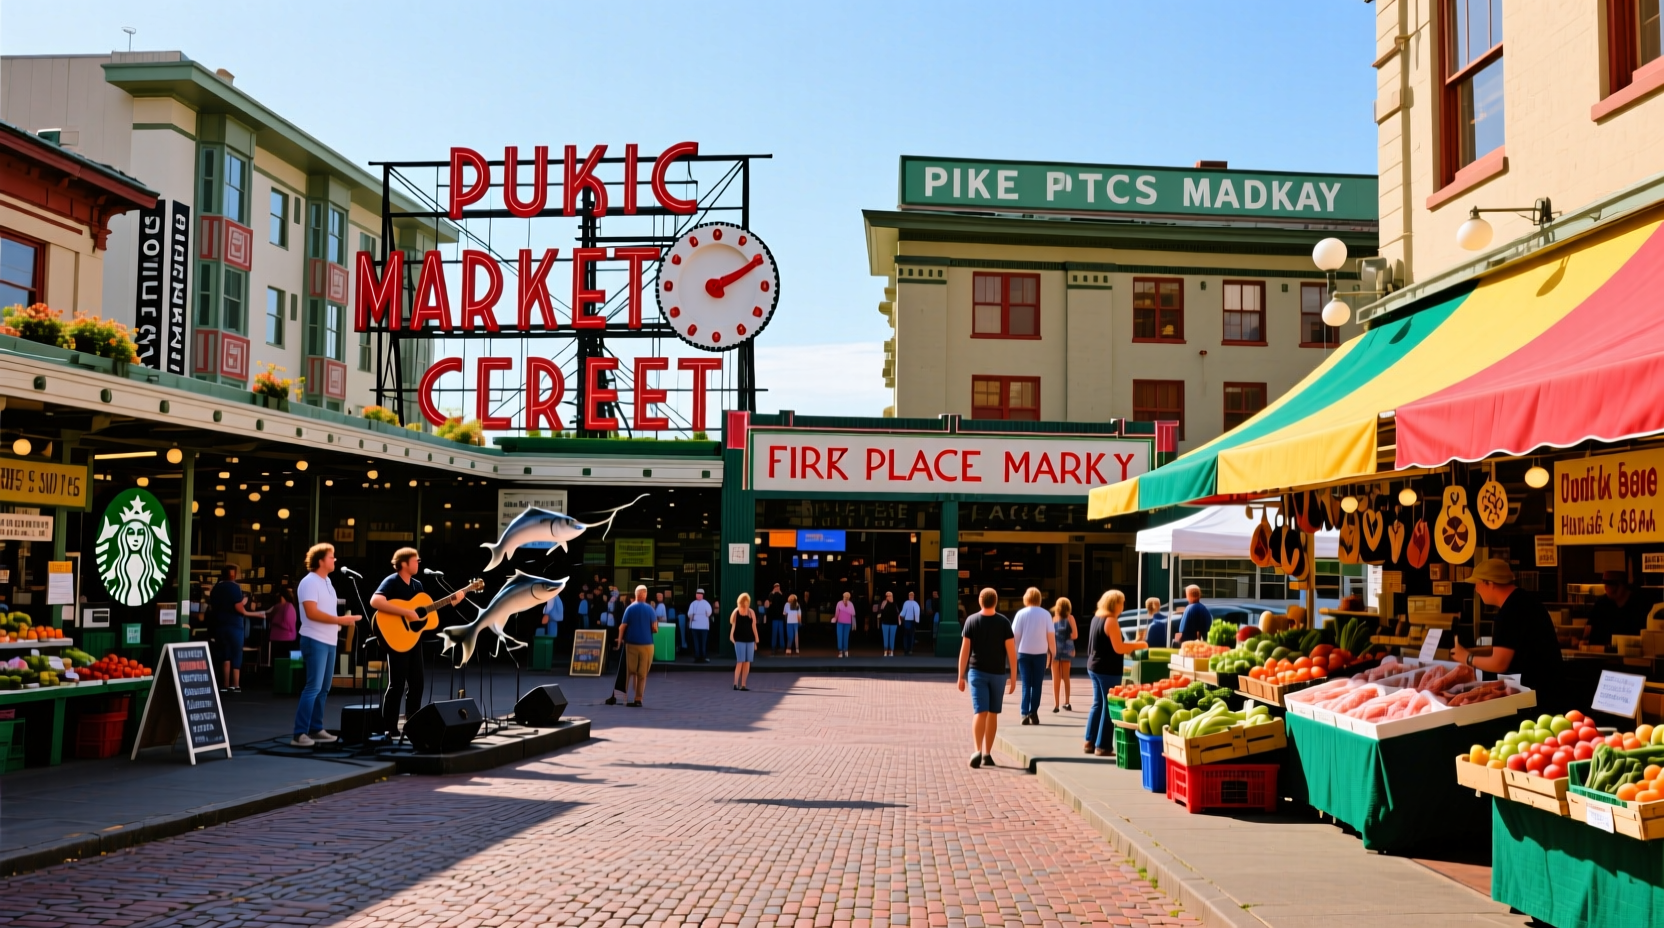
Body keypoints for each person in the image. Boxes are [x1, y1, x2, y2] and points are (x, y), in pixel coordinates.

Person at [368, 548, 471, 736]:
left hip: (413, 640)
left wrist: (452, 601)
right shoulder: (392, 581)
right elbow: (375, 601)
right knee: (397, 684)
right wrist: (406, 612)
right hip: (396, 639)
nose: (418, 563)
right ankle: (389, 728)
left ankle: (412, 725)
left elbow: (427, 616)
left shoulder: (417, 586)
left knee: (417, 684)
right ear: (404, 563)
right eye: (415, 560)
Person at [1452, 559, 1565, 704]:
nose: (1476, 589)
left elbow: (1499, 663)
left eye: (1477, 583)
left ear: (1490, 583)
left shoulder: (1508, 613)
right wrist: (1472, 651)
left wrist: (1468, 658)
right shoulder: (1525, 600)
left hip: (1536, 695)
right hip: (1550, 688)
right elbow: (1511, 646)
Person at [292, 543, 357, 748]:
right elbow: (311, 613)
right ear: (320, 561)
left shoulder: (327, 581)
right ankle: (299, 733)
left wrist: (339, 623)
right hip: (314, 639)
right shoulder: (309, 582)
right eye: (331, 556)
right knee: (313, 687)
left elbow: (326, 611)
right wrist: (340, 620)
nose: (334, 559)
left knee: (324, 688)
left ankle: (316, 728)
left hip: (329, 641)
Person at [1085, 590, 1150, 756]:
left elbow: (1108, 643)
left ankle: (1089, 741)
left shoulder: (1096, 617)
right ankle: (1103, 746)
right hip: (1107, 668)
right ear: (1115, 604)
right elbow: (1119, 648)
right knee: (1109, 706)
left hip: (1094, 665)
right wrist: (1140, 645)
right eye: (1122, 602)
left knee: (1098, 704)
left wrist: (1133, 642)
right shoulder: (1111, 620)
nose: (1123, 605)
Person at [957, 587, 1016, 769]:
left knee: (980, 711)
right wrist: (1014, 676)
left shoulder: (971, 621)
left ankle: (977, 750)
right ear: (995, 601)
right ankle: (987, 753)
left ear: (980, 601)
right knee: (992, 713)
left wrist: (960, 675)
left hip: (976, 672)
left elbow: (965, 650)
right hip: (998, 673)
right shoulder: (1004, 622)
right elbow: (1011, 652)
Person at [209, 565, 264, 694]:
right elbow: (238, 608)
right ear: (234, 575)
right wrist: (245, 604)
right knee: (236, 654)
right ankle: (236, 684)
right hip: (234, 626)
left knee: (225, 655)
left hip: (220, 625)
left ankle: (225, 684)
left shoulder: (216, 588)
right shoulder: (235, 587)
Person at [1010, 587, 1054, 726]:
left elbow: (1014, 636)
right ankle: (1033, 712)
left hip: (1023, 652)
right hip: (1040, 653)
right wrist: (1053, 653)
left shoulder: (1021, 614)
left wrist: (1013, 653)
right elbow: (1051, 636)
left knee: (1026, 684)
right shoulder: (1046, 614)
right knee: (1037, 685)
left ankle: (1024, 713)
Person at [618, 585, 658, 707]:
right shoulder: (650, 609)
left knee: (629, 671)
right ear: (645, 595)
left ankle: (624, 697)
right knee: (642, 674)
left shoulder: (629, 608)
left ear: (635, 594)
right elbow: (655, 628)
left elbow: (622, 626)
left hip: (631, 644)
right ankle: (638, 699)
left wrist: (619, 641)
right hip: (647, 645)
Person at [1588, 570, 1648, 646]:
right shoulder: (1601, 604)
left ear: (1620, 585)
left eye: (1608, 584)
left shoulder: (1640, 604)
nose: (1605, 588)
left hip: (1632, 649)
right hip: (1602, 650)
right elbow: (1590, 630)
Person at [1051, 598, 1078, 713]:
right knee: (1066, 677)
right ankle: (1067, 702)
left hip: (1055, 649)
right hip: (1067, 649)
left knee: (1055, 678)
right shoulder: (1070, 618)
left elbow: (1049, 636)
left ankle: (1056, 705)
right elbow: (1075, 635)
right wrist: (1066, 636)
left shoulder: (1053, 619)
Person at [730, 592, 758, 691]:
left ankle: (743, 684)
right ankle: (735, 683)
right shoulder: (736, 612)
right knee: (740, 661)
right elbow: (733, 626)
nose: (746, 603)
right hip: (739, 640)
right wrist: (732, 638)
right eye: (744, 601)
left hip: (750, 640)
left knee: (747, 662)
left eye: (747, 601)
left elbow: (754, 626)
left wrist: (756, 640)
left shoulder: (751, 612)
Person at [268, 586, 298, 657]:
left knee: (279, 661)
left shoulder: (277, 607)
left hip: (276, 638)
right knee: (294, 661)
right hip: (290, 638)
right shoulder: (292, 607)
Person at [685, 589, 713, 662]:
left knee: (702, 642)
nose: (699, 595)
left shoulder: (706, 603)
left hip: (703, 626)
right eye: (697, 594)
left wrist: (694, 616)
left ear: (703, 595)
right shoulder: (693, 603)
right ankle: (697, 656)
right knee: (696, 642)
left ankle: (702, 656)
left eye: (700, 594)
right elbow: (690, 614)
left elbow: (709, 613)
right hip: (695, 626)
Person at [878, 591, 901, 656]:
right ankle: (885, 650)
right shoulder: (883, 603)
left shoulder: (895, 604)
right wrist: (879, 620)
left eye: (890, 595)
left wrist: (899, 621)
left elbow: (898, 613)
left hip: (894, 623)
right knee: (885, 637)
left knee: (892, 637)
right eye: (887, 596)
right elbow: (880, 612)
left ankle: (891, 651)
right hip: (885, 623)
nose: (889, 597)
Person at [766, 583, 787, 654]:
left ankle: (782, 647)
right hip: (774, 617)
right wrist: (772, 593)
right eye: (776, 587)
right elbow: (769, 602)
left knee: (781, 633)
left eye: (778, 587)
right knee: (774, 633)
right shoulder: (771, 595)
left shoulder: (782, 595)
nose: (777, 588)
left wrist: (781, 593)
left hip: (780, 617)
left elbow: (785, 602)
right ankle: (773, 647)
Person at [834, 592, 856, 657]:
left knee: (845, 637)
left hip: (847, 623)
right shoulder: (839, 603)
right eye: (845, 596)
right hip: (840, 622)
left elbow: (853, 614)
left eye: (847, 596)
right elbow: (837, 613)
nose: (846, 597)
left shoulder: (850, 604)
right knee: (840, 636)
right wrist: (835, 619)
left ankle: (845, 651)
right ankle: (841, 651)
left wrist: (854, 624)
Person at [900, 591, 921, 656]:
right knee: (907, 635)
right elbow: (903, 611)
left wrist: (917, 620)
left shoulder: (915, 603)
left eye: (912, 595)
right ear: (908, 596)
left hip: (912, 621)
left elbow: (917, 612)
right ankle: (906, 649)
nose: (911, 596)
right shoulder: (906, 603)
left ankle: (910, 649)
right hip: (907, 620)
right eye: (910, 595)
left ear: (913, 596)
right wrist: (901, 617)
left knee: (911, 635)